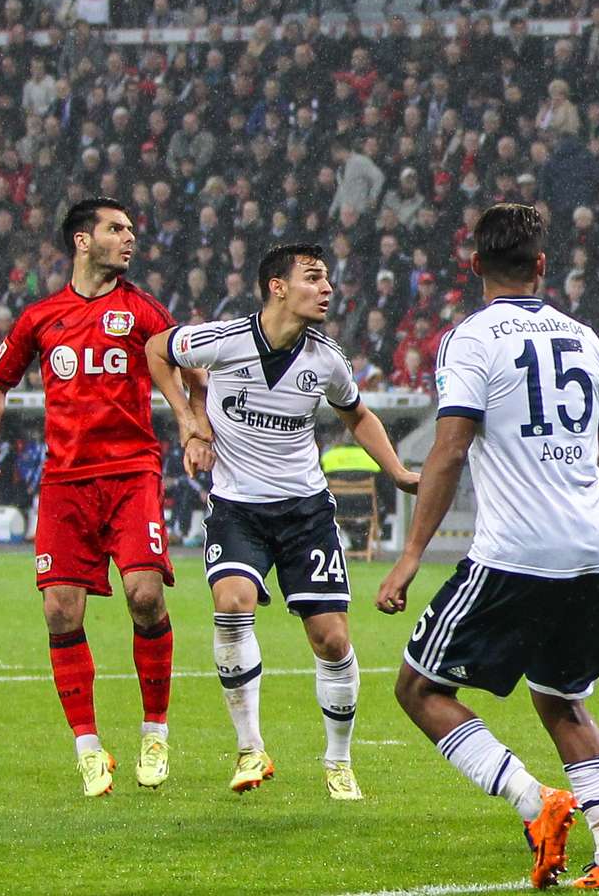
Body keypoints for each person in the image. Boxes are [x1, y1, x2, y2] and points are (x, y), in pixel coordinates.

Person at [374, 204, 599, 891]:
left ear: (474, 267)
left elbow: (450, 446)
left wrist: (410, 555)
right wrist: (586, 507)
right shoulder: (584, 337)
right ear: (542, 265)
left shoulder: (470, 340)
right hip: (590, 557)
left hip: (513, 554)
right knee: (562, 701)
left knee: (418, 687)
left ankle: (535, 801)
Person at [144, 243, 420, 799]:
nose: (326, 289)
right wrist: (190, 421)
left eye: (327, 280)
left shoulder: (327, 359)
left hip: (305, 512)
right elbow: (157, 348)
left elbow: (358, 414)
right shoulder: (221, 339)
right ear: (277, 286)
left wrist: (396, 471)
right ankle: (250, 749)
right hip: (237, 508)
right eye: (313, 278)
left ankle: (337, 760)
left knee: (332, 639)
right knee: (232, 604)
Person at [0, 198, 192, 797]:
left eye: (130, 230)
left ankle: (154, 732)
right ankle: (89, 748)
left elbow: (187, 369)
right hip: (65, 482)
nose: (129, 240)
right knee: (60, 611)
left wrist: (193, 423)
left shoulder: (142, 310)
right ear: (81, 241)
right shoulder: (41, 318)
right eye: (116, 230)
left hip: (132, 474)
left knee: (145, 595)